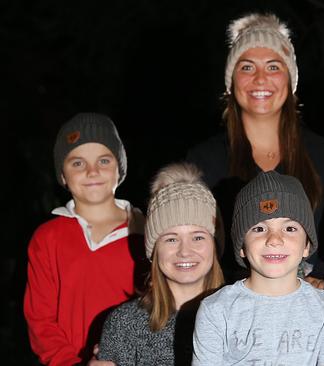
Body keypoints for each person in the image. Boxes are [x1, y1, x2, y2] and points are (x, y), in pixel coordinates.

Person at [187, 13, 324, 283]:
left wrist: (319, 279)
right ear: (231, 82)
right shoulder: (203, 160)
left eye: (274, 67)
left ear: (290, 80)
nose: (260, 79)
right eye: (247, 67)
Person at [23, 113, 147, 365]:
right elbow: (40, 321)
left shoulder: (147, 231)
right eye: (77, 163)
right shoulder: (47, 238)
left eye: (103, 160)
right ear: (63, 175)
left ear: (119, 168)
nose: (92, 171)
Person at [193, 171, 324, 365]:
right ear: (241, 246)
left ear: (306, 245)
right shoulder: (215, 310)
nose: (274, 239)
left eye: (290, 229)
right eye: (259, 229)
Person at [94, 163, 225, 365]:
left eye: (198, 237)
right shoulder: (123, 324)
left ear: (215, 245)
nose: (184, 251)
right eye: (171, 239)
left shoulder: (243, 316)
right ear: (154, 250)